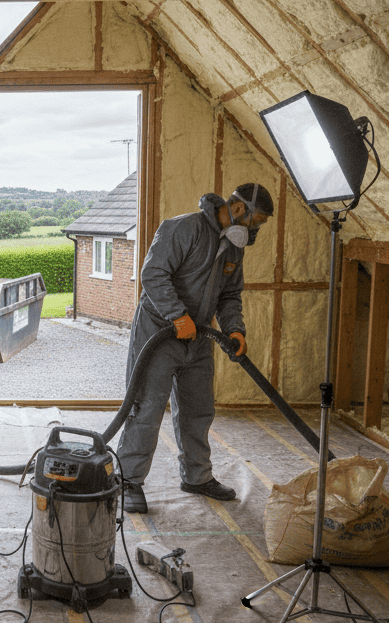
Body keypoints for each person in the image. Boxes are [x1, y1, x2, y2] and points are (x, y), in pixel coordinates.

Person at [117, 183, 274, 514]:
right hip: (157, 332)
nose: (256, 230)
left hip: (199, 336)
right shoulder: (182, 228)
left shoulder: (234, 248)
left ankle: (197, 477)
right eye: (257, 221)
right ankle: (128, 480)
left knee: (198, 409)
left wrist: (234, 329)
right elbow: (153, 274)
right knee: (146, 407)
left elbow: (230, 295)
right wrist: (177, 315)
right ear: (240, 210)